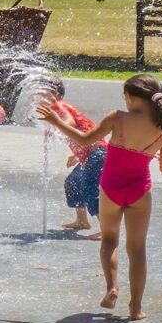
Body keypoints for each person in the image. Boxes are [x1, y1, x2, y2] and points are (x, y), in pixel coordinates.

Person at [77, 75, 162, 320]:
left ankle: (112, 288)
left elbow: (84, 140)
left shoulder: (117, 118)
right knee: (137, 249)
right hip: (139, 192)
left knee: (110, 240)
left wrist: (55, 121)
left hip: (111, 188)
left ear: (131, 97)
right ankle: (136, 308)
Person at [35, 79, 104, 233]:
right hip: (92, 153)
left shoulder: (59, 106)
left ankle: (106, 229)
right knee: (73, 182)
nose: (39, 95)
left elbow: (70, 123)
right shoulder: (57, 109)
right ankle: (82, 220)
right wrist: (76, 156)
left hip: (97, 153)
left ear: (55, 95)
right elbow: (80, 132)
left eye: (43, 92)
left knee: (89, 187)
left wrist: (54, 129)